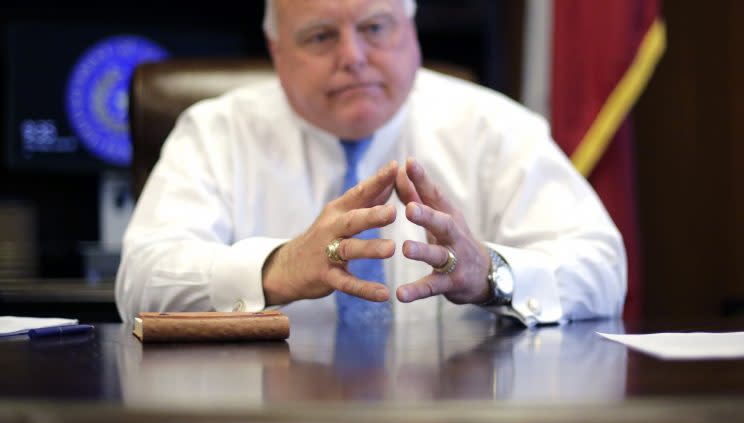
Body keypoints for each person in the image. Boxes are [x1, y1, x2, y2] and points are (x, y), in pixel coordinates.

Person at [115, 0, 627, 328]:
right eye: (320, 36)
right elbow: (140, 280)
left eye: (375, 28)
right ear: (276, 51)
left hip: (454, 422)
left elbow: (603, 268)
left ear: (412, 34)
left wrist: (492, 273)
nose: (354, 56)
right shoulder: (214, 131)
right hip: (263, 419)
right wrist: (276, 269)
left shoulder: (496, 129)